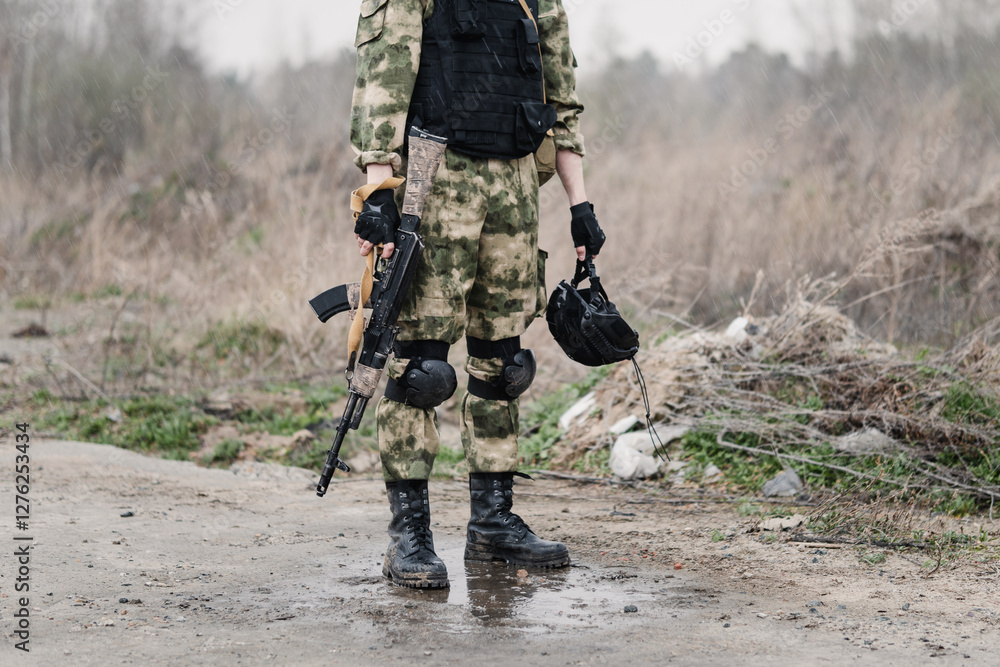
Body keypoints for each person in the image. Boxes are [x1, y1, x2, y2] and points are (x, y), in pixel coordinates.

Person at [350, 0, 605, 589]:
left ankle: (493, 524)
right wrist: (378, 192)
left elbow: (562, 101)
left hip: (515, 182)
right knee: (422, 370)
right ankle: (409, 535)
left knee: (505, 363)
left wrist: (580, 204)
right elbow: (384, 76)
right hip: (435, 178)